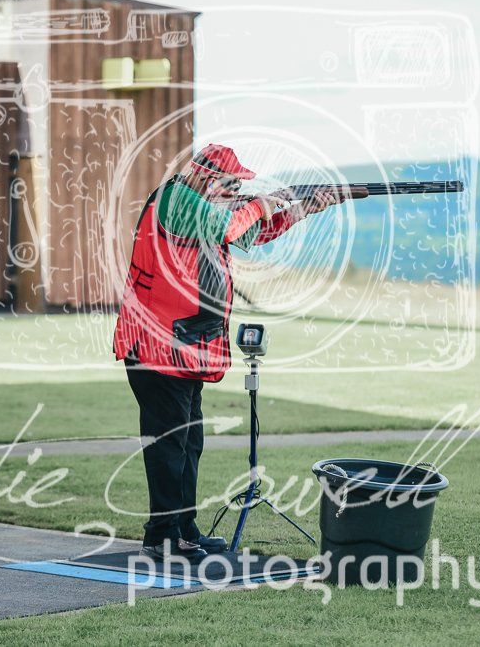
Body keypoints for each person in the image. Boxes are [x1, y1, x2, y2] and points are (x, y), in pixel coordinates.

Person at [113, 143, 352, 560]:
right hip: (156, 346)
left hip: (181, 347)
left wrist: (303, 209)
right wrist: (262, 203)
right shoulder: (177, 199)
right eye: (231, 184)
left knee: (188, 445)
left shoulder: (201, 207)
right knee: (169, 449)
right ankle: (163, 537)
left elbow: (253, 233)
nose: (236, 191)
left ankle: (182, 531)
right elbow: (230, 226)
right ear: (207, 178)